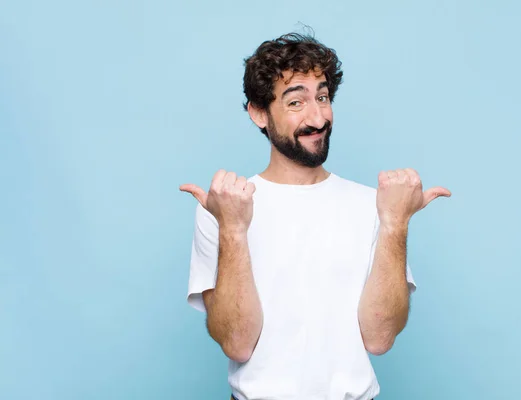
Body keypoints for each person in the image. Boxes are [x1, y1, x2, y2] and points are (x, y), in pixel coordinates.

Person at [180, 32, 451, 400]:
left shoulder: (373, 206)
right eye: (296, 102)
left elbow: (380, 337)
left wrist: (395, 223)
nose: (318, 117)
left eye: (322, 97)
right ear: (259, 113)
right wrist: (232, 229)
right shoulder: (224, 209)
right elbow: (237, 343)